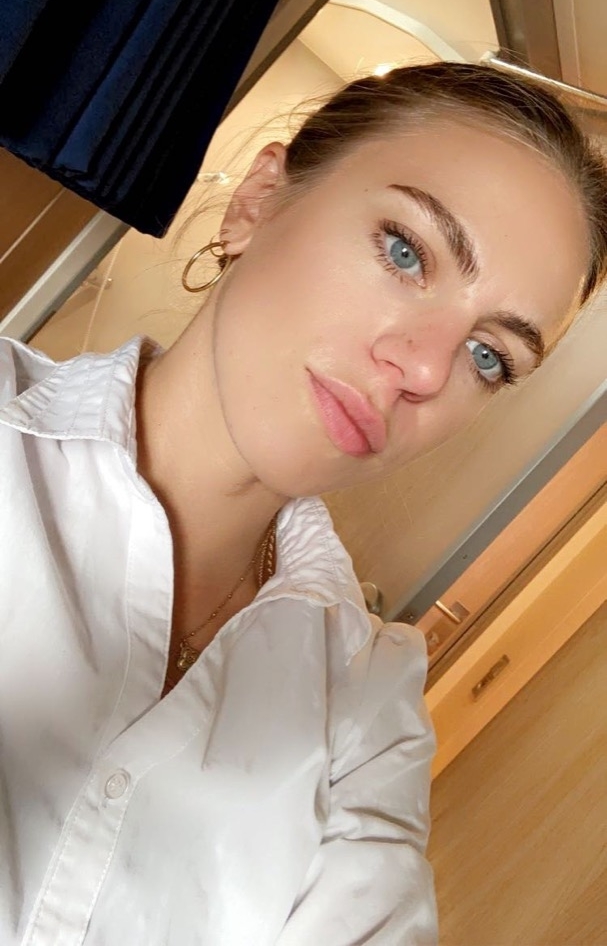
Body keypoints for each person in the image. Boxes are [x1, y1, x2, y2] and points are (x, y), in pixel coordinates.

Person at [1, 62, 606, 946]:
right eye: (406, 252)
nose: (424, 367)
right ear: (258, 202)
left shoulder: (365, 701)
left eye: (488, 357)